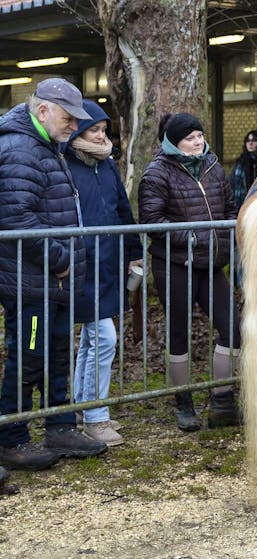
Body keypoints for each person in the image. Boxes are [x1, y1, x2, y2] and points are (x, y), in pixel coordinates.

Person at [0, 78, 108, 471]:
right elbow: (16, 218)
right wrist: (60, 258)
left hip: (52, 280)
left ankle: (60, 425)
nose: (73, 125)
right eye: (67, 117)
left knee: (57, 353)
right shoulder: (20, 149)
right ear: (42, 110)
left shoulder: (45, 146)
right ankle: (10, 437)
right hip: (32, 282)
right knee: (28, 357)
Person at [139, 112, 242, 430]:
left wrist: (229, 232)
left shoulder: (213, 166)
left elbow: (230, 207)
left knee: (234, 329)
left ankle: (222, 400)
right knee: (179, 333)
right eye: (190, 138)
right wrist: (194, 234)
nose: (198, 142)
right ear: (173, 142)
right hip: (175, 264)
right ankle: (184, 402)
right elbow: (152, 221)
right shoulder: (157, 173)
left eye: (199, 136)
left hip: (212, 264)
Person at [64, 99, 143, 447]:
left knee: (93, 340)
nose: (100, 136)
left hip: (108, 263)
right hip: (79, 265)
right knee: (104, 338)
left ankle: (84, 407)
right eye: (93, 130)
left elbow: (122, 211)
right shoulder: (64, 163)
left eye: (103, 130)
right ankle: (96, 418)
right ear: (78, 130)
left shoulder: (108, 166)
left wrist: (134, 253)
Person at [229, 130, 257, 212]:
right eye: (248, 141)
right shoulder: (240, 165)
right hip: (243, 208)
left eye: (254, 140)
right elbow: (233, 188)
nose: (250, 143)